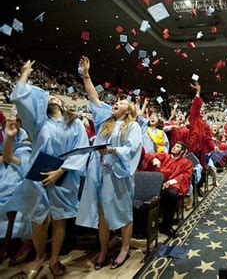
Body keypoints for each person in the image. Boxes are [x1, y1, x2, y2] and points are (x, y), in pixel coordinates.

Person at [10, 60, 90, 277]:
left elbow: (81, 151)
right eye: (50, 97)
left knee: (59, 219)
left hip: (63, 176)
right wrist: (25, 73)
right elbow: (19, 97)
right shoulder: (38, 123)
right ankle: (39, 256)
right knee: (38, 219)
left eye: (56, 97)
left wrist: (61, 171)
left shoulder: (75, 124)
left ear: (64, 104)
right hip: (39, 175)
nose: (53, 98)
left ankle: (54, 259)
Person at [75, 56, 142, 270]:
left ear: (129, 111)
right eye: (116, 102)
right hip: (99, 172)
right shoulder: (105, 121)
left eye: (121, 103)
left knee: (123, 212)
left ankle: (123, 248)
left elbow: (131, 148)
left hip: (118, 174)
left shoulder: (133, 127)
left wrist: (112, 150)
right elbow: (93, 97)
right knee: (102, 211)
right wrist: (86, 74)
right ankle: (103, 249)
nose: (116, 103)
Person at [140, 142, 193, 237]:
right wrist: (154, 159)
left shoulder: (186, 163)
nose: (174, 146)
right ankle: (142, 228)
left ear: (182, 151)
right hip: (154, 184)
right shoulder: (164, 156)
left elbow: (185, 176)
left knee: (172, 195)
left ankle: (166, 226)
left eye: (177, 146)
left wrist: (170, 182)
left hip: (170, 187)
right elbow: (147, 155)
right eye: (174, 145)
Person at [0, 115, 32, 265]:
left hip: (26, 173)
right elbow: (7, 156)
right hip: (11, 171)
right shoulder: (13, 139)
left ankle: (24, 245)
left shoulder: (27, 137)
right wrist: (9, 138)